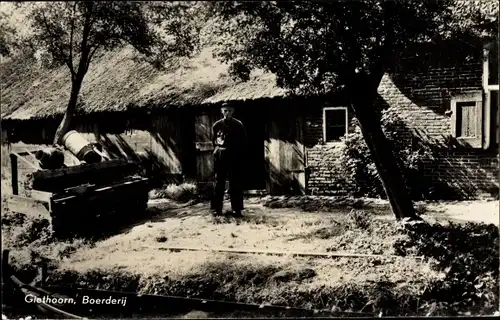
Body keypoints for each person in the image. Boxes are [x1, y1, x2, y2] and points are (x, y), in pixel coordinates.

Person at [211, 103, 246, 217]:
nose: (227, 113)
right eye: (225, 111)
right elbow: (214, 142)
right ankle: (216, 209)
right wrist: (217, 152)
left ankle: (237, 209)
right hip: (221, 156)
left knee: (235, 182)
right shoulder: (216, 125)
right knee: (218, 183)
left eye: (229, 111)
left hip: (234, 156)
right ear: (222, 111)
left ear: (233, 111)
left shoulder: (238, 125)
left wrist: (238, 154)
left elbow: (243, 142)